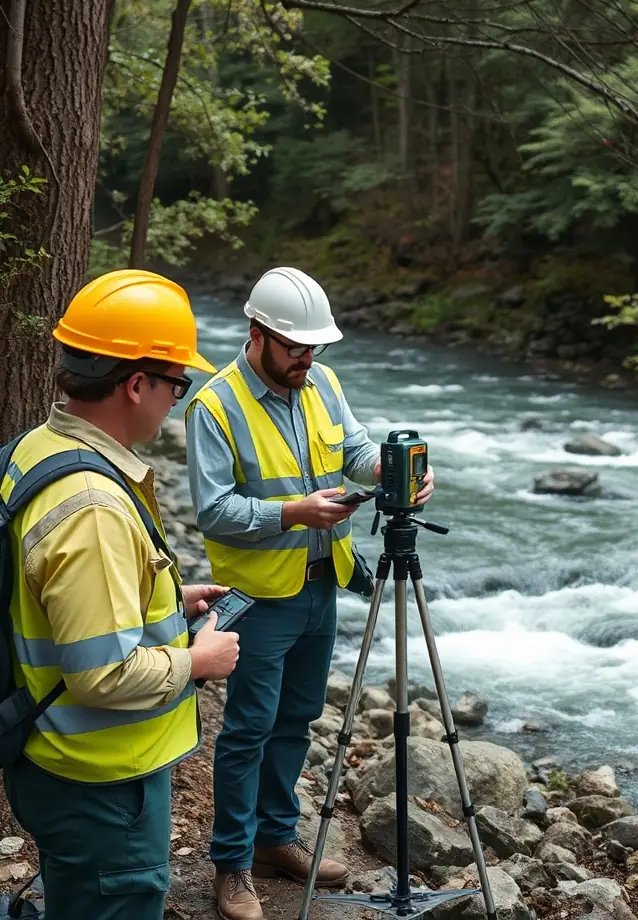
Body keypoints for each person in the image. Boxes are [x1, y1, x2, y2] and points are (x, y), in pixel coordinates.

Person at [185, 266, 434, 920]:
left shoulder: (321, 380)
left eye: (314, 347)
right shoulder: (214, 405)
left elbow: (353, 450)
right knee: (247, 731)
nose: (307, 359)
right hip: (259, 599)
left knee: (295, 722)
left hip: (322, 586)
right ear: (257, 333)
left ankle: (274, 837)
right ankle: (232, 864)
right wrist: (291, 513)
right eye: (296, 347)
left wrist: (390, 470)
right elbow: (212, 511)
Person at [1, 269, 241, 920]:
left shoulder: (35, 448)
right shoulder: (94, 508)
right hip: (100, 783)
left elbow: (52, 594)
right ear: (137, 384)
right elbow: (102, 674)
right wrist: (200, 660)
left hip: (52, 760)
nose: (176, 401)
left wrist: (165, 597)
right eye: (177, 385)